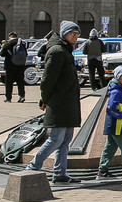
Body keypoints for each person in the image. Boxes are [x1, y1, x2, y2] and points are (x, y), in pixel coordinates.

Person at [26, 21, 82, 183]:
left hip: (68, 102)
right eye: (73, 33)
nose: (75, 37)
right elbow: (48, 80)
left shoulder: (65, 50)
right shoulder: (57, 51)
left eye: (77, 34)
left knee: (65, 141)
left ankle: (60, 173)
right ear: (64, 33)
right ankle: (32, 167)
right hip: (59, 103)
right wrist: (45, 99)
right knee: (55, 139)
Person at [96, 66, 122, 180]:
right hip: (118, 125)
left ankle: (102, 170)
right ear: (118, 77)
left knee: (110, 146)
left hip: (118, 125)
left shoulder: (121, 90)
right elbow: (110, 108)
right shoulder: (116, 92)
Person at [0, 31, 28, 102]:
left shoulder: (8, 44)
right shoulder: (22, 43)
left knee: (9, 82)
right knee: (20, 81)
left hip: (10, 65)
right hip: (21, 65)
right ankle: (21, 96)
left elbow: (2, 54)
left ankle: (8, 98)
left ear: (9, 37)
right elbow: (26, 54)